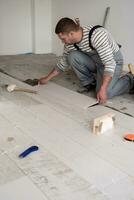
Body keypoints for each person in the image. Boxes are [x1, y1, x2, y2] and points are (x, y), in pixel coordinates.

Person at [38, 17, 134, 103]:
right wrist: (47, 78)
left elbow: (109, 64)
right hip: (97, 62)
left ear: (71, 33)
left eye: (63, 38)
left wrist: (103, 89)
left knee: (106, 93)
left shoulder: (97, 35)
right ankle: (90, 82)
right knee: (72, 56)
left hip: (113, 62)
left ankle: (130, 79)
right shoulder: (70, 44)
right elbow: (63, 62)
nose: (62, 41)